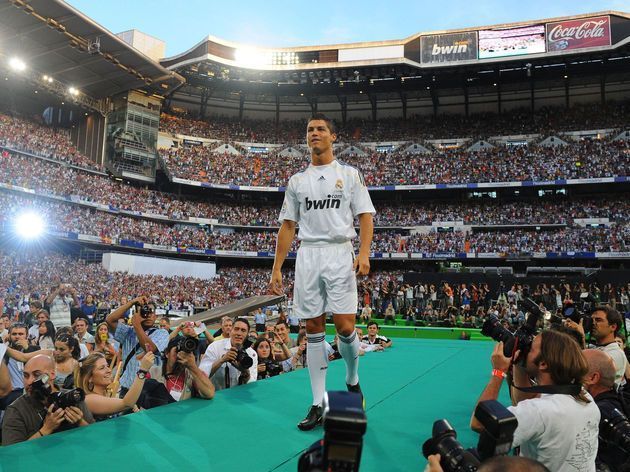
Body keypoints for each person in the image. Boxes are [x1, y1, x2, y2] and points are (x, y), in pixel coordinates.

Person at [269, 113, 375, 431]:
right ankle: (318, 402)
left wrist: (365, 253)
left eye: (320, 129)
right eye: (310, 130)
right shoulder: (297, 181)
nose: (314, 133)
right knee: (313, 327)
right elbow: (288, 226)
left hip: (340, 252)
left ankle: (352, 380)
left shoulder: (350, 174)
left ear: (333, 137)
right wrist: (276, 267)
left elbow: (366, 216)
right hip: (308, 254)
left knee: (344, 327)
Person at [470, 330, 600, 472]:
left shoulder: (538, 411)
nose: (527, 349)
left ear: (543, 363)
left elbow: (479, 423)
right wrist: (519, 363)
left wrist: (498, 371)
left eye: (530, 348)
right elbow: (528, 400)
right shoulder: (585, 397)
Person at [2, 354, 94, 445]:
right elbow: (13, 455)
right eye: (26, 376)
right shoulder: (16, 411)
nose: (29, 381)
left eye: (36, 375)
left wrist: (80, 422)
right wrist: (46, 429)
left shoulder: (72, 397)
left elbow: (94, 436)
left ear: (52, 374)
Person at [106, 296, 169, 396]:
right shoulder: (128, 332)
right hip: (127, 390)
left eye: (151, 312)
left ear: (155, 316)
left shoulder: (162, 333)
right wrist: (131, 302)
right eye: (144, 312)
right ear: (137, 314)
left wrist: (137, 325)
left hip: (149, 392)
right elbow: (109, 320)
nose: (148, 315)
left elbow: (150, 349)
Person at [583, 349, 630, 471]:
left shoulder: (603, 411)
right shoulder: (615, 401)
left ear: (593, 378)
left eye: (576, 369)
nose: (570, 375)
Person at [77, 351, 155, 421]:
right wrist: (143, 371)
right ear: (89, 377)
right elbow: (126, 403)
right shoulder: (89, 399)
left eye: (107, 366)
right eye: (102, 368)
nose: (109, 370)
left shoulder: (104, 396)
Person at [566, 305, 628, 387]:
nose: (593, 323)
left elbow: (587, 374)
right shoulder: (594, 347)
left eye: (598, 320)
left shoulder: (616, 353)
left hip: (599, 399)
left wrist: (581, 338)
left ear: (613, 327)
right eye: (592, 320)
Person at [199, 317, 258, 391]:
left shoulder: (252, 354)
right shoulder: (215, 347)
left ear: (247, 335)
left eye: (243, 330)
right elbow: (201, 375)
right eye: (236, 329)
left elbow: (252, 384)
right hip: (216, 394)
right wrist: (222, 360)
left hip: (240, 397)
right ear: (231, 331)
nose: (239, 333)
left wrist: (245, 372)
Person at [150, 338, 215, 401]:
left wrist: (193, 367)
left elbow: (210, 393)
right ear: (167, 353)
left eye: (185, 353)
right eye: (177, 351)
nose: (180, 356)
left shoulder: (192, 374)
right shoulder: (153, 372)